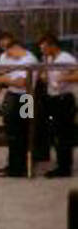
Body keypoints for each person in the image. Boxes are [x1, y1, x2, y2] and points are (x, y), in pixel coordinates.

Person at [0, 34, 39, 178]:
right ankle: (13, 164)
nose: (8, 56)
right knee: (12, 132)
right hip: (12, 95)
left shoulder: (29, 59)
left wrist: (4, 79)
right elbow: (2, 78)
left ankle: (22, 166)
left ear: (16, 48)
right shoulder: (8, 57)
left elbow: (22, 82)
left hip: (26, 97)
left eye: (10, 52)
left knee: (24, 131)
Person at [37, 32, 76, 178]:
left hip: (63, 99)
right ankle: (59, 162)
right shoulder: (47, 59)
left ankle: (64, 167)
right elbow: (43, 78)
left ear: (52, 46)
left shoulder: (66, 58)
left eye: (44, 48)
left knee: (63, 134)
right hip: (50, 98)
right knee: (54, 132)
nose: (43, 51)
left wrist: (63, 78)